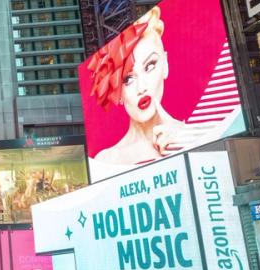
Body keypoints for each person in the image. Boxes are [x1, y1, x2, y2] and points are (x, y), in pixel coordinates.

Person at [87, 7, 208, 173]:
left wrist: (188, 139)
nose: (141, 87)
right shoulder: (106, 161)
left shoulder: (196, 135)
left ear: (165, 64)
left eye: (150, 66)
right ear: (117, 92)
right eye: (128, 79)